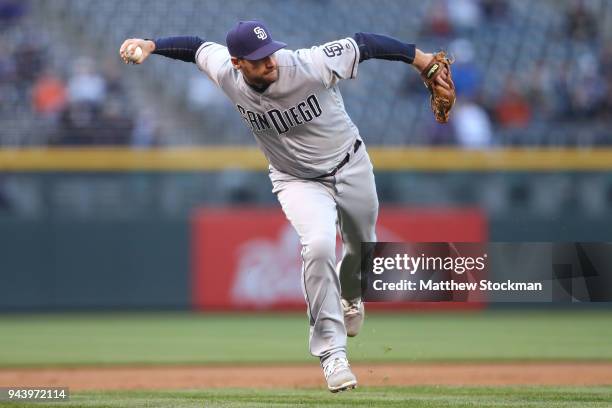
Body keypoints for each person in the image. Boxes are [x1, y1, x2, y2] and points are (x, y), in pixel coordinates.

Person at [120, 21, 451, 392]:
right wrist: (150, 45)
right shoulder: (226, 73)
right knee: (320, 245)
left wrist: (422, 60)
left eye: (270, 52)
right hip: (296, 180)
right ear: (238, 63)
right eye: (259, 59)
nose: (270, 61)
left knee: (363, 247)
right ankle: (332, 354)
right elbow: (195, 47)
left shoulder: (306, 64)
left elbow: (365, 43)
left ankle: (351, 295)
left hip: (350, 163)